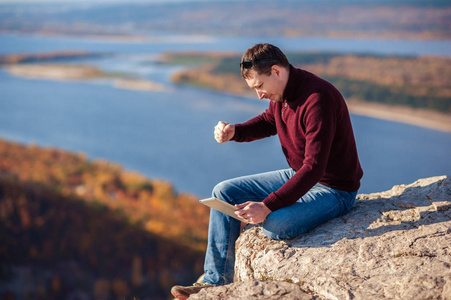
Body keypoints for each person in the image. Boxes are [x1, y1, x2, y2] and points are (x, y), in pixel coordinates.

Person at [171, 43, 363, 300]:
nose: (259, 95)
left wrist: (268, 205)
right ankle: (215, 282)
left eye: (260, 86)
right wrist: (235, 132)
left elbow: (314, 168)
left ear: (276, 71)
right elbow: (269, 121)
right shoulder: (283, 93)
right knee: (223, 192)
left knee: (274, 225)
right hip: (299, 175)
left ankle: (279, 216)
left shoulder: (317, 99)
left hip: (335, 189)